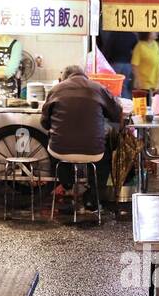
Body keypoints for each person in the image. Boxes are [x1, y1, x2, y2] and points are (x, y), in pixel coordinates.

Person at [42, 65, 122, 213]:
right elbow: (116, 114)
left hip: (60, 151)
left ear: (65, 77)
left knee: (53, 141)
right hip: (94, 152)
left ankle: (66, 184)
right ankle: (93, 198)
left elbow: (44, 123)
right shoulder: (98, 88)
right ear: (85, 76)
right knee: (105, 154)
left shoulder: (56, 89)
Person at [99, 31, 137, 97]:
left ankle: (116, 105)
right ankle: (126, 104)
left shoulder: (113, 34)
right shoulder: (132, 35)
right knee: (124, 87)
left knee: (113, 88)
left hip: (115, 63)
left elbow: (107, 48)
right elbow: (135, 50)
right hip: (127, 64)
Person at [130, 32, 159, 98]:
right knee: (143, 106)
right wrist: (138, 81)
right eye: (153, 31)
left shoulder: (155, 44)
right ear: (147, 33)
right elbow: (134, 65)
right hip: (143, 85)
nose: (156, 32)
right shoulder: (139, 46)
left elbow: (158, 64)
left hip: (155, 85)